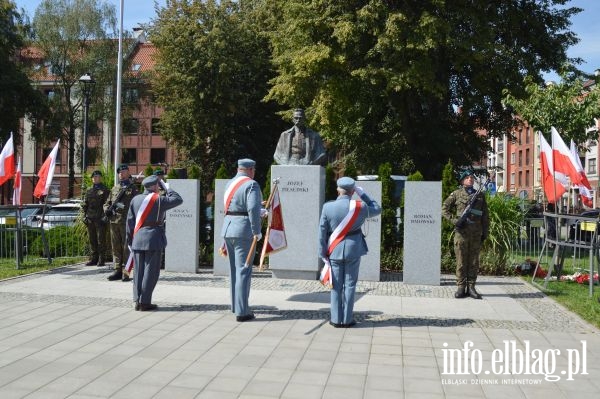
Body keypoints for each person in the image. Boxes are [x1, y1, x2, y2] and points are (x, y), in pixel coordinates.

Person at [318, 177, 381, 328]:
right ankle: (347, 319)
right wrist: (363, 194)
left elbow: (321, 232)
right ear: (353, 191)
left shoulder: (328, 207)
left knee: (336, 285)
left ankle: (335, 318)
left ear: (338, 190)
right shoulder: (360, 207)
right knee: (350, 285)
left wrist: (322, 252)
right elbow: (377, 208)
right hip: (354, 248)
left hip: (334, 249)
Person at [126, 175, 183, 311]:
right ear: (153, 186)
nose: (159, 187)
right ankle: (145, 302)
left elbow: (129, 222)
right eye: (158, 185)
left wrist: (130, 240)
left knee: (138, 272)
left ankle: (137, 300)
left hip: (138, 238)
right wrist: (168, 188)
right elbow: (178, 199)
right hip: (153, 239)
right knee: (150, 272)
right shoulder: (158, 200)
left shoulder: (135, 199)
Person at [221, 158, 263, 322]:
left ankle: (235, 306)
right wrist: (256, 231)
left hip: (229, 228)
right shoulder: (251, 184)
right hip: (243, 231)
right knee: (243, 271)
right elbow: (252, 209)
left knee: (234, 271)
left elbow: (235, 206)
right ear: (251, 169)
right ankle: (242, 311)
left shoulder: (230, 183)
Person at [442, 170, 489, 299]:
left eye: (472, 178)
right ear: (462, 180)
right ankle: (461, 287)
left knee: (474, 261)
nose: (470, 180)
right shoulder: (456, 194)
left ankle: (471, 287)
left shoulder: (480, 196)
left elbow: (485, 216)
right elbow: (444, 209)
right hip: (461, 233)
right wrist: (455, 220)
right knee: (461, 261)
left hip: (476, 233)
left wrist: (485, 232)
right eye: (467, 178)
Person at [103, 164, 138, 281]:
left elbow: (136, 205)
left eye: (123, 171)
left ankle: (126, 272)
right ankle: (117, 270)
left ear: (128, 172)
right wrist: (107, 210)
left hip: (126, 222)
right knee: (116, 247)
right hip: (114, 221)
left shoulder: (133, 188)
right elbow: (107, 203)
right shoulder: (115, 188)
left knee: (126, 247)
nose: (121, 174)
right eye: (119, 172)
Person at [82, 170, 110, 266]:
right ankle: (94, 258)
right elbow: (85, 204)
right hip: (90, 218)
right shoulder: (89, 190)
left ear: (100, 178)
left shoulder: (105, 190)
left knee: (100, 240)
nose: (95, 178)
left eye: (97, 177)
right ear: (92, 179)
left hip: (100, 218)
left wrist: (105, 216)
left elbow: (107, 204)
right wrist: (84, 216)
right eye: (94, 177)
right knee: (92, 239)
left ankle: (101, 259)